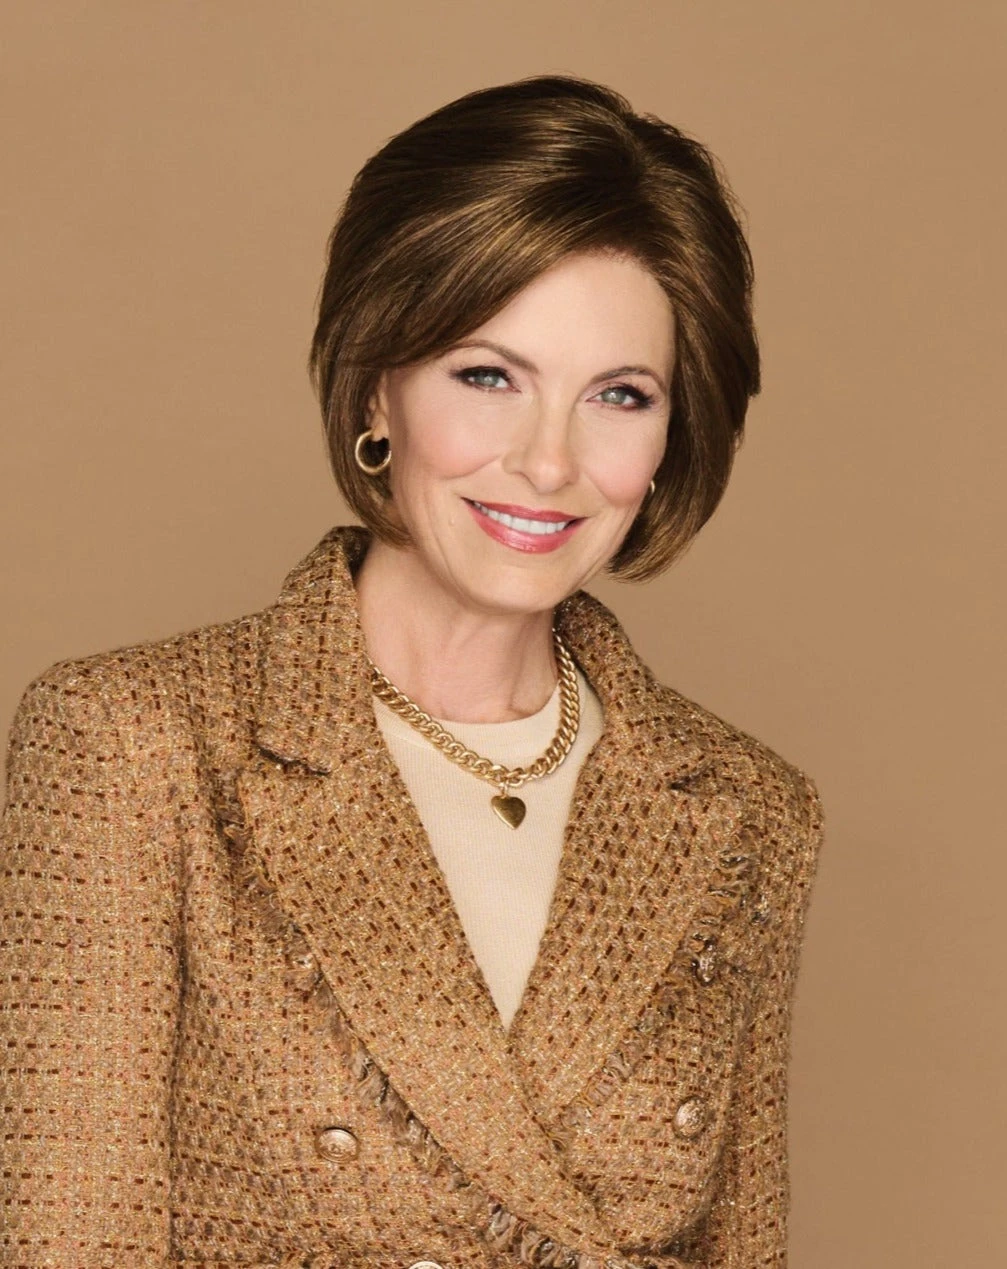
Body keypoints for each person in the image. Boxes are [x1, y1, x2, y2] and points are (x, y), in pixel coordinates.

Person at [0, 75, 823, 1269]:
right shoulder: (133, 746)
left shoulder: (745, 811)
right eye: (487, 376)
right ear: (377, 385)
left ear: (670, 436)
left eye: (618, 396)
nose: (548, 462)